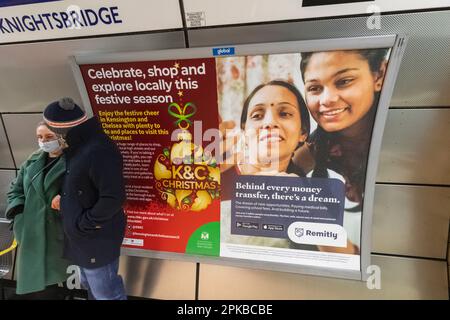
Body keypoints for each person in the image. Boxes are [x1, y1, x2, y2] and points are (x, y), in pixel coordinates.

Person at [297, 48, 389, 254]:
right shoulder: (319, 145)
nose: (327, 99)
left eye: (344, 81)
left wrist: (342, 252)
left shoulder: (404, 144)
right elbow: (277, 176)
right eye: (314, 88)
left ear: (380, 75)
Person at [43, 97, 127, 300]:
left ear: (60, 129)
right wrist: (66, 200)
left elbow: (113, 198)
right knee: (94, 291)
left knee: (107, 294)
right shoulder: (79, 147)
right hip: (83, 240)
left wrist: (84, 224)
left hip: (96, 239)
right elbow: (83, 187)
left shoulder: (98, 149)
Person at [220, 80, 310, 248]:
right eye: (257, 115)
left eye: (284, 113)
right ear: (244, 130)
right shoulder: (213, 173)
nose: (269, 122)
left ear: (303, 133)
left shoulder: (305, 196)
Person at [5, 122, 70, 298]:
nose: (43, 141)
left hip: (55, 231)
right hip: (30, 231)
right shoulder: (33, 158)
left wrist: (67, 199)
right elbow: (15, 189)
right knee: (32, 287)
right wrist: (20, 214)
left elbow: (85, 191)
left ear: (62, 137)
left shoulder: (74, 161)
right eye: (39, 137)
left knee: (52, 285)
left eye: (49, 137)